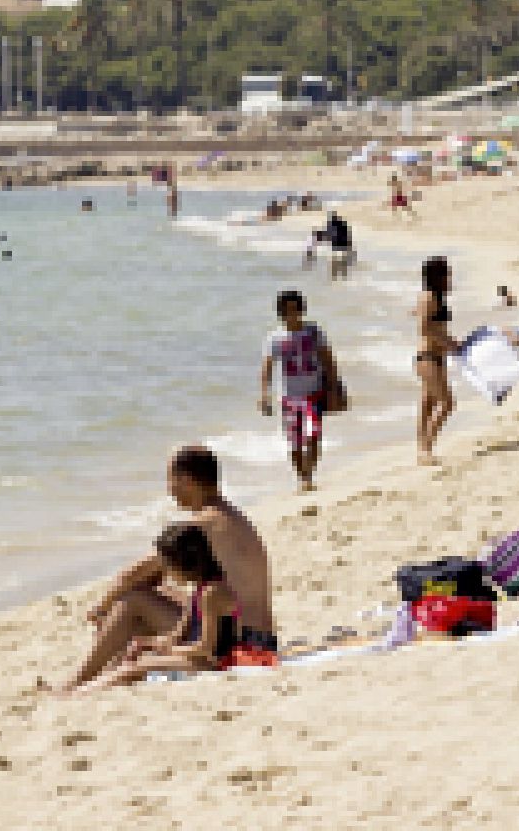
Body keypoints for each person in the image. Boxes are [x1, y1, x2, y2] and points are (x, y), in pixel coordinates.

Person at [61, 446, 275, 691]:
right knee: (152, 593)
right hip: (259, 637)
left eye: (170, 480)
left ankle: (76, 683)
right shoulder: (229, 516)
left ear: (185, 480)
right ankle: (111, 672)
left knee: (133, 601)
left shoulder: (202, 524)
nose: (169, 489)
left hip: (235, 644)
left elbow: (132, 574)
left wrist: (100, 609)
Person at [78, 524, 243, 691]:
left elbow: (206, 648)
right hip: (196, 654)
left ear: (184, 563)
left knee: (131, 670)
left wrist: (168, 650)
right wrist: (146, 644)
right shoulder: (200, 589)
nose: (167, 573)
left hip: (208, 663)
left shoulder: (212, 593)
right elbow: (178, 634)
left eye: (168, 566)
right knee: (137, 660)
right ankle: (82, 687)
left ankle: (75, 694)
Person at [259, 290, 340, 493]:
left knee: (313, 436)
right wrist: (264, 395)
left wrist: (333, 387)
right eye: (287, 310)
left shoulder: (313, 331)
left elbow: (328, 360)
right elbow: (267, 368)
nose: (292, 314)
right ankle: (301, 478)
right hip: (289, 397)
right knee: (294, 442)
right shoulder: (275, 338)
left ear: (302, 309)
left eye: (295, 309)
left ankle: (309, 475)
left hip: (314, 393)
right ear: (280, 313)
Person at [414, 256, 458, 465]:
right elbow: (424, 328)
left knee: (429, 402)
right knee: (447, 403)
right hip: (427, 357)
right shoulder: (428, 297)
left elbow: (435, 326)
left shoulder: (438, 297)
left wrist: (452, 343)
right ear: (436, 277)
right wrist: (450, 344)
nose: (450, 278)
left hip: (437, 357)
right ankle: (426, 448)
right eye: (446, 274)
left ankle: (422, 448)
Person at [323, 212, 354, 280]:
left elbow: (330, 235)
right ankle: (344, 276)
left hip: (336, 245)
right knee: (343, 262)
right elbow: (348, 234)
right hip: (345, 244)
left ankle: (334, 278)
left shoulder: (331, 225)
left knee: (335, 262)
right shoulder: (343, 223)